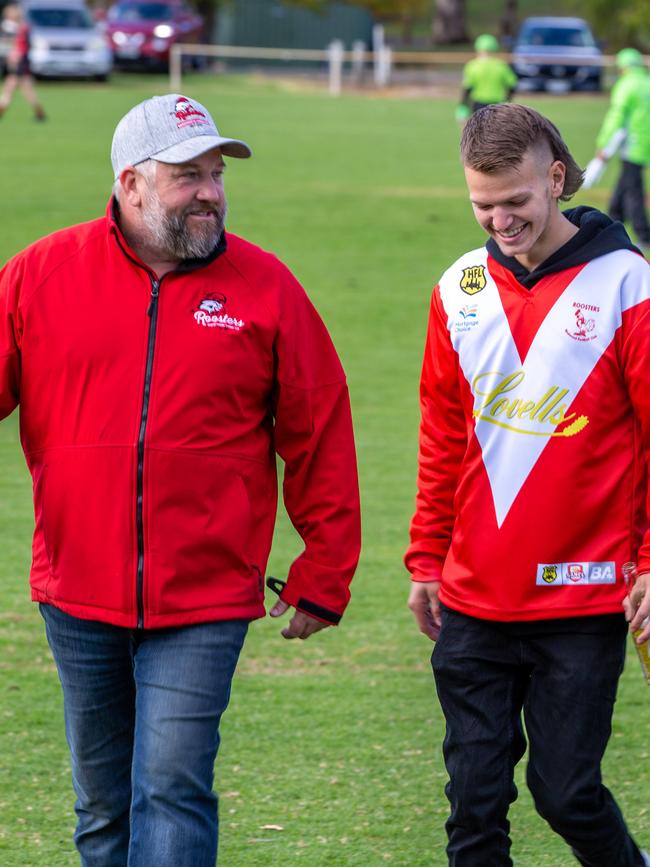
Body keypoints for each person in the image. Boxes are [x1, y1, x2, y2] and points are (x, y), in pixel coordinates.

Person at [0, 93, 361, 866]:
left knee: (170, 786)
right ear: (130, 184)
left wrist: (325, 567)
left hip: (206, 594)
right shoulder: (40, 275)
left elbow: (319, 427)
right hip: (75, 586)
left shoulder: (266, 287)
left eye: (216, 174)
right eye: (186, 175)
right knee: (101, 808)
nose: (210, 191)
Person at [405, 102, 650, 866]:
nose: (500, 219)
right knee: (473, 803)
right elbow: (443, 436)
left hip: (583, 596)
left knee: (564, 789)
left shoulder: (627, 284)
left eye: (515, 201)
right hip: (475, 595)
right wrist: (424, 560)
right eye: (482, 204)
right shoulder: (459, 287)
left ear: (554, 176)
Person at [593, 47, 650, 250]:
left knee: (633, 189)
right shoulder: (647, 82)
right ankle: (612, 221)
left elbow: (616, 117)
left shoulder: (626, 85)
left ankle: (644, 235)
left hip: (633, 144)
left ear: (622, 67)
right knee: (626, 182)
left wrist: (603, 144)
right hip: (645, 144)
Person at [455, 34, 517, 123]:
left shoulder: (472, 65)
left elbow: (468, 88)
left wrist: (463, 106)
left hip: (478, 105)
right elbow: (512, 85)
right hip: (497, 104)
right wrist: (507, 101)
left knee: (479, 132)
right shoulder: (501, 66)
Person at [0, 3, 46, 121]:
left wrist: (12, 58)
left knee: (10, 87)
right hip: (23, 61)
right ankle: (39, 112)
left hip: (16, 61)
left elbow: (11, 46)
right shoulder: (24, 27)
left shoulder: (11, 28)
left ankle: (1, 110)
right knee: (26, 88)